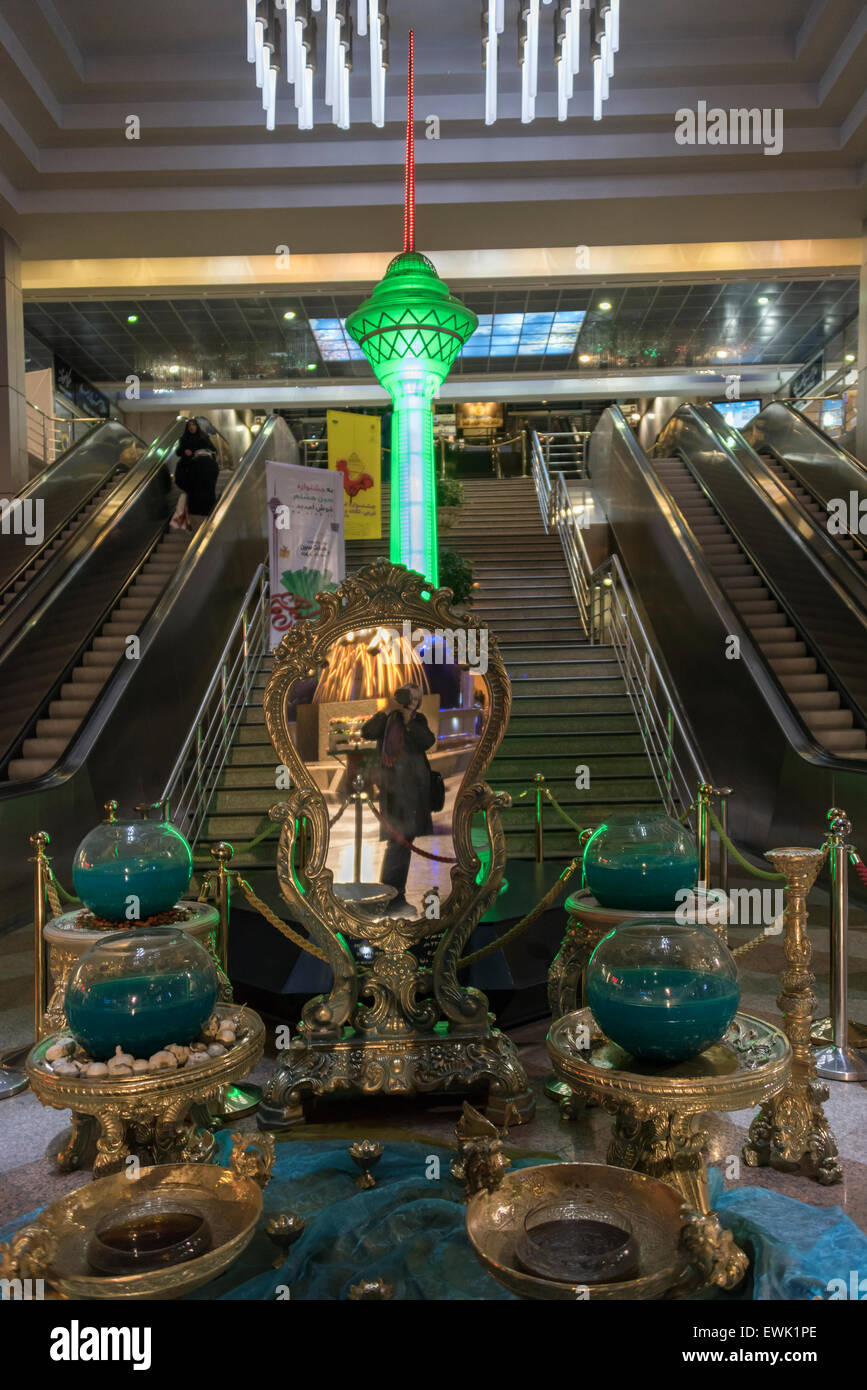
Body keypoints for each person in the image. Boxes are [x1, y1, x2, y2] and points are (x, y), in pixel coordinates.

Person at [361, 684, 435, 912]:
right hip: (391, 791)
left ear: (417, 702)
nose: (405, 701)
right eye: (402, 697)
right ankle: (391, 896)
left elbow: (427, 741)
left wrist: (409, 719)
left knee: (402, 843)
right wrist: (387, 710)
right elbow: (367, 731)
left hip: (413, 792)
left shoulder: (417, 720)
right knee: (397, 843)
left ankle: (392, 895)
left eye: (410, 698)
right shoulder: (387, 719)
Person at [173, 419, 218, 532]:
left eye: (193, 425)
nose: (191, 427)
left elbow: (180, 480)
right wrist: (185, 453)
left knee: (198, 527)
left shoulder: (203, 441)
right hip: (201, 504)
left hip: (198, 504)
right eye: (189, 425)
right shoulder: (185, 444)